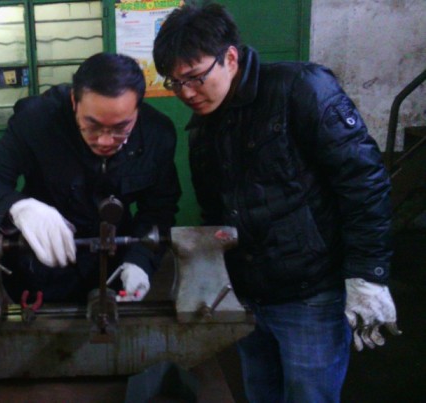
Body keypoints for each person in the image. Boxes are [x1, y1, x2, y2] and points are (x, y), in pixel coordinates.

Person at [153, 4, 400, 402]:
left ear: (230, 58)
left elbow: (364, 182)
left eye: (195, 77)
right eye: (175, 83)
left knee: (308, 395)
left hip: (311, 295)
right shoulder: (203, 126)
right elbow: (216, 211)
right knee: (259, 392)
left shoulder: (300, 88)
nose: (186, 93)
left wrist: (368, 274)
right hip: (248, 296)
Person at [0, 53, 181, 304]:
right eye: (92, 125)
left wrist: (140, 260)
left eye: (121, 128)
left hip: (114, 270)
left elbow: (159, 209)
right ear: (74, 101)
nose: (105, 140)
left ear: (137, 110)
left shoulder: (156, 134)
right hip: (41, 269)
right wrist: (18, 207)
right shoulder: (38, 120)